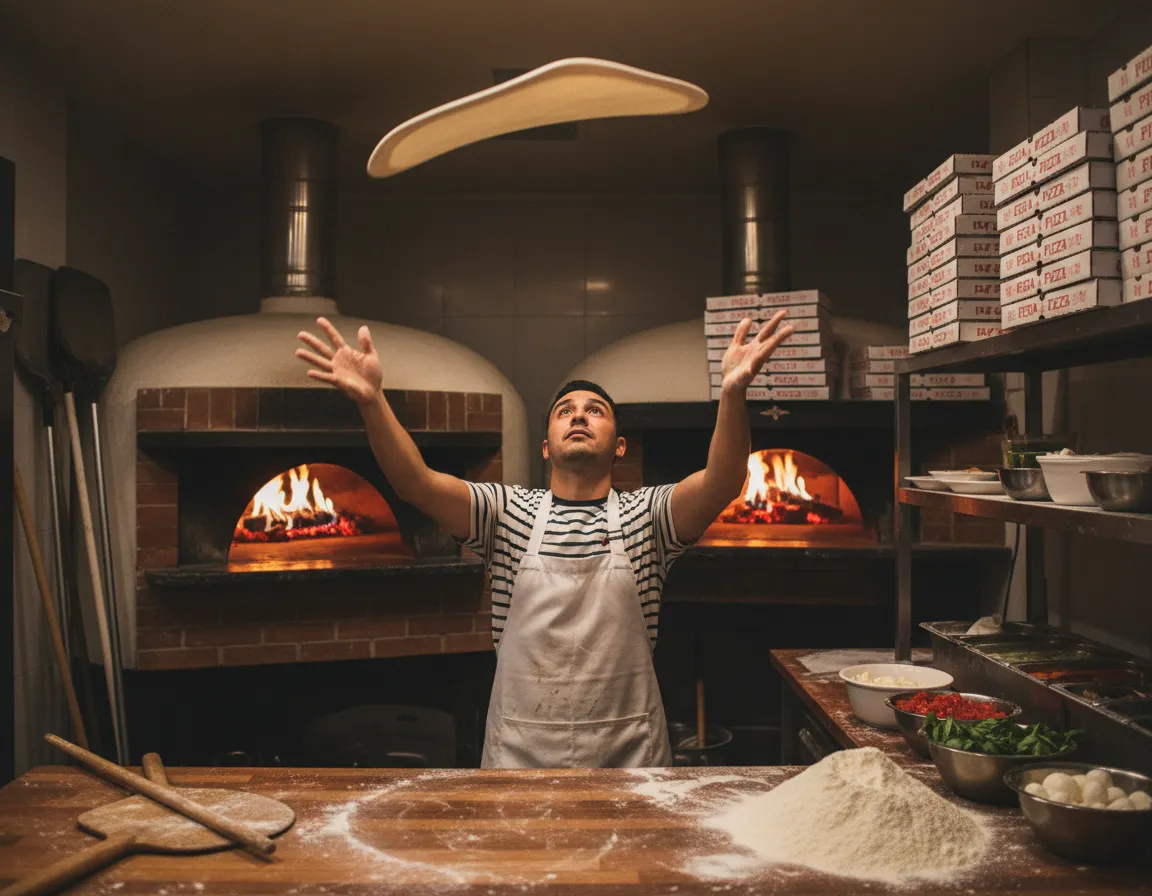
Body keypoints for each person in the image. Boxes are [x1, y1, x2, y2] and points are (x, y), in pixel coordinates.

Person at [295, 311, 794, 768]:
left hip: (629, 759)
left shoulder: (648, 516)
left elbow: (722, 482)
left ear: (620, 446)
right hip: (521, 756)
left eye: (595, 410)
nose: (579, 416)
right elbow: (416, 483)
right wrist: (372, 401)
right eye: (565, 411)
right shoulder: (506, 513)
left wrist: (732, 394)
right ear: (546, 445)